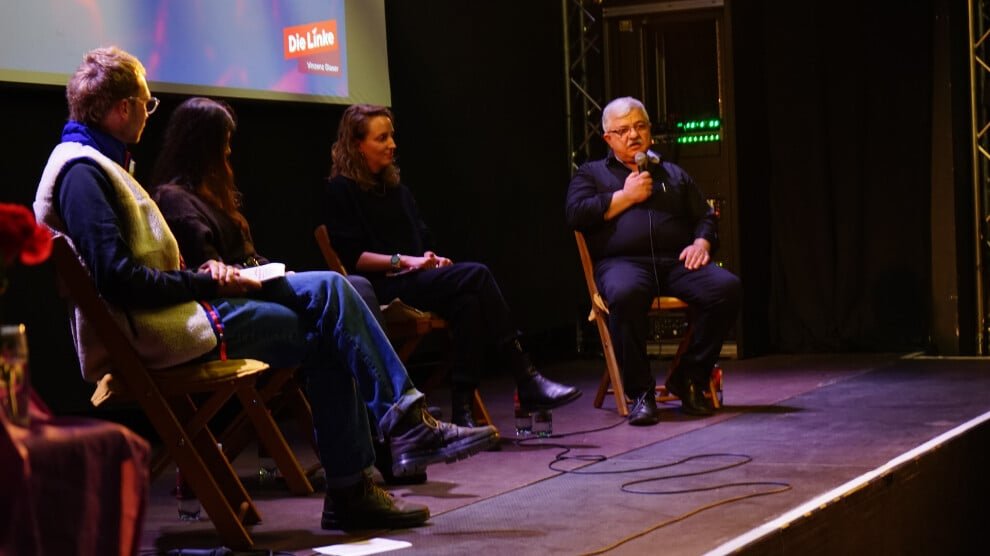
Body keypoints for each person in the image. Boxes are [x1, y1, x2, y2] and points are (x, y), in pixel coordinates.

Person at [33, 46, 496, 532]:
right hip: (168, 330)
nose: (150, 115)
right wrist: (205, 278)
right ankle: (374, 461)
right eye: (146, 104)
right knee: (334, 306)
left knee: (333, 307)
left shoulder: (96, 163)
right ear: (122, 108)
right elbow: (118, 280)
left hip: (177, 314)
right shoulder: (83, 173)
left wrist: (214, 276)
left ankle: (375, 461)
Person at [149, 96, 450, 484]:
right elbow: (213, 271)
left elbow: (246, 257)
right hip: (231, 307)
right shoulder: (176, 199)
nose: (228, 151)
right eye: (223, 141)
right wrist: (258, 274)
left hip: (256, 287)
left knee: (344, 300)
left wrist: (273, 270)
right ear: (201, 144)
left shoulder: (213, 196)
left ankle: (377, 451)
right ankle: (396, 429)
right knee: (339, 289)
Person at [323, 104, 582, 428]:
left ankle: (463, 408)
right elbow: (353, 258)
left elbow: (420, 238)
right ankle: (525, 374)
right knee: (478, 274)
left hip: (415, 278)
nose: (392, 144)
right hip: (380, 289)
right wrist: (405, 261)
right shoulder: (341, 191)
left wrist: (430, 258)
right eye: (382, 138)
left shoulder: (397, 190)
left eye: (392, 136)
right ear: (358, 144)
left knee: (469, 301)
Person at [565, 97, 740, 425]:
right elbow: (576, 214)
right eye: (623, 129)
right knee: (625, 293)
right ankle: (641, 393)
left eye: (640, 126)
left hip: (675, 262)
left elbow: (705, 216)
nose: (633, 135)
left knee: (726, 289)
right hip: (622, 263)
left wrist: (702, 241)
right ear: (608, 139)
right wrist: (624, 197)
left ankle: (689, 378)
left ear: (649, 132)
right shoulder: (592, 174)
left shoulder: (672, 173)